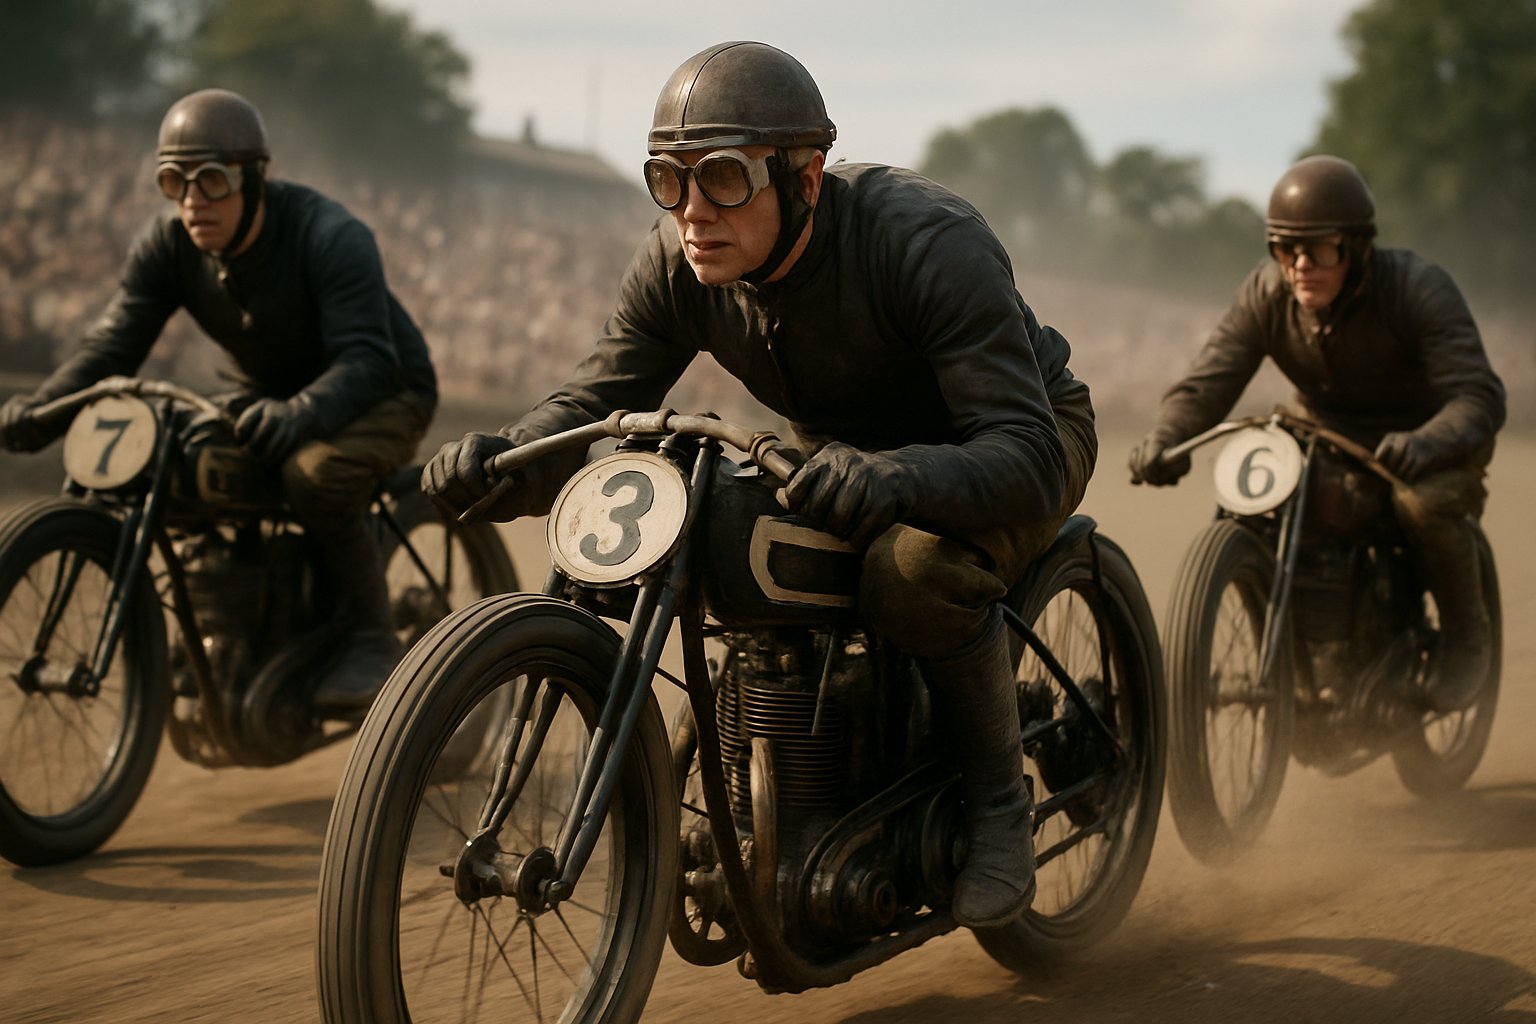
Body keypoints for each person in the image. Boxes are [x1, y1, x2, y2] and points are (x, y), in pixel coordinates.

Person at [422, 40, 1098, 928]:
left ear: (806, 177)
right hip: (840, 457)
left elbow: (1028, 449)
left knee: (912, 574)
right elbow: (594, 398)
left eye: (726, 179)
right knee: (730, 539)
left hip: (1015, 436)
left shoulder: (927, 240)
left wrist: (897, 475)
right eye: (669, 179)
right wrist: (500, 460)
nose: (693, 211)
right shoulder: (677, 263)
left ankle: (998, 808)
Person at [0, 88, 438, 713]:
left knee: (312, 475)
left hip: (385, 391)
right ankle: (231, 628)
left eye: (212, 180)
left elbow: (369, 361)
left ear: (254, 179)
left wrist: (301, 414)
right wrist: (42, 410)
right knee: (187, 463)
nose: (192, 200)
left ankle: (371, 638)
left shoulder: (331, 236)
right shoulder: (169, 244)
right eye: (173, 180)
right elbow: (112, 345)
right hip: (266, 394)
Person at [1128, 154, 1505, 713]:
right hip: (1324, 431)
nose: (1301, 264)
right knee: (1256, 507)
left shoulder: (1418, 290)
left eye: (1320, 248)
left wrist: (1426, 443)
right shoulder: (1267, 293)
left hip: (1429, 443)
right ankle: (1299, 650)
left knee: (1420, 507)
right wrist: (1167, 436)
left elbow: (1479, 396)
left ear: (1355, 247)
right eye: (1285, 248)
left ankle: (1465, 643)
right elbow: (1210, 379)